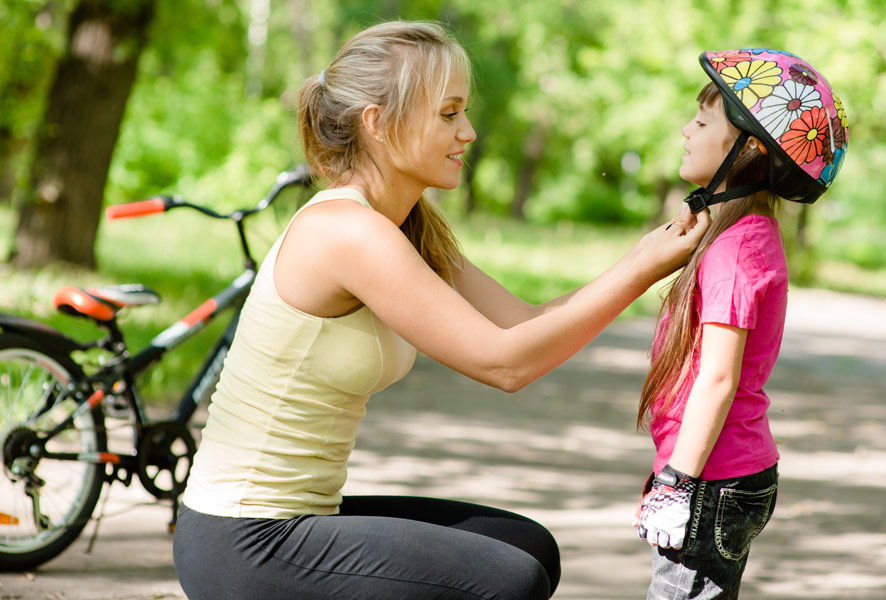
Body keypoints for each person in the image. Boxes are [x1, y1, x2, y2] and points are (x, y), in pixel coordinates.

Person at [172, 20, 709, 600]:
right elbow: (505, 366)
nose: (470, 132)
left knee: (528, 546)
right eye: (449, 114)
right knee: (510, 579)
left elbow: (523, 324)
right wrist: (642, 271)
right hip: (244, 540)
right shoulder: (345, 231)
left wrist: (645, 255)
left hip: (299, 519)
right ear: (377, 124)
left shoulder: (405, 226)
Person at [632, 48, 849, 599]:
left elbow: (718, 378)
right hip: (721, 474)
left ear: (749, 148)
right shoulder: (744, 236)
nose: (686, 129)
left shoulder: (736, 250)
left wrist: (676, 483)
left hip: (712, 479)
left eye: (702, 121)